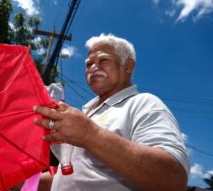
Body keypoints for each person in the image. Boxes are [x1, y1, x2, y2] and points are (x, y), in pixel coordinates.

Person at [33, 33, 189, 191]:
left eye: (103, 60)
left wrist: (90, 135)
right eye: (88, 64)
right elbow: (68, 178)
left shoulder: (143, 103)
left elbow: (174, 177)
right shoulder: (86, 115)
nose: (93, 68)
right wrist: (24, 183)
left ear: (128, 66)